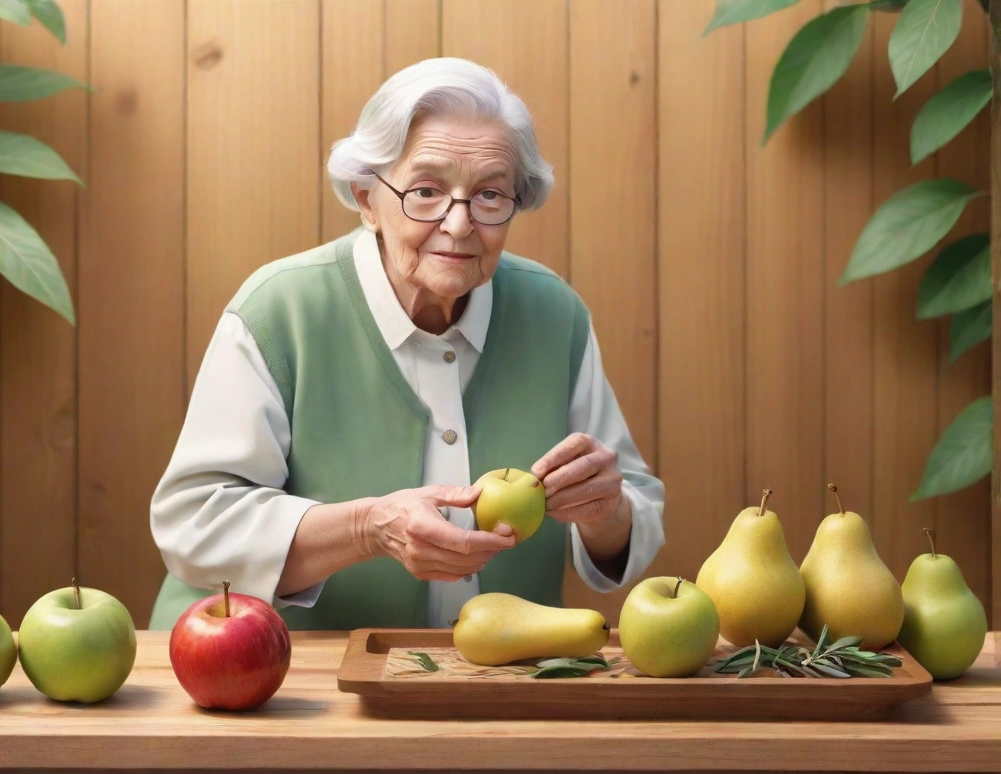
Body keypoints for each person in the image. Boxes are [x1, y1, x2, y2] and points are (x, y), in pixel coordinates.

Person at [147, 57, 665, 632]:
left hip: (498, 683)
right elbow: (193, 522)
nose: (460, 223)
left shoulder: (554, 313)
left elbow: (632, 520)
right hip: (286, 683)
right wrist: (368, 527)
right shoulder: (281, 309)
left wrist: (605, 510)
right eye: (425, 191)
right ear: (367, 198)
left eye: (490, 195)